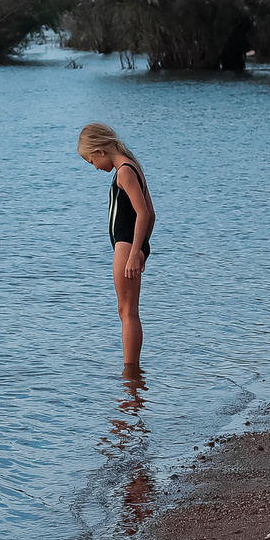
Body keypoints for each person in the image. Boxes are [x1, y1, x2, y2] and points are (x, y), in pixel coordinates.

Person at [75, 122, 154, 367]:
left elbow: (142, 214)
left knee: (127, 312)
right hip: (131, 246)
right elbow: (151, 213)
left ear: (100, 151)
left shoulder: (124, 171)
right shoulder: (133, 165)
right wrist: (142, 249)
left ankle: (130, 373)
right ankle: (133, 374)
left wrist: (133, 253)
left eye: (91, 162)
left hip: (125, 247)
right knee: (127, 311)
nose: (95, 167)